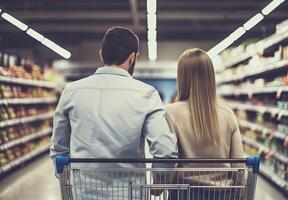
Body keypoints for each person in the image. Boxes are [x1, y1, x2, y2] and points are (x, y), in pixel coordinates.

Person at [50, 26, 178, 199]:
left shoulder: (72, 91)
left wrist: (67, 179)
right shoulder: (146, 94)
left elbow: (59, 149)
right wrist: (160, 182)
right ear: (133, 57)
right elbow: (165, 151)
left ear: (101, 54)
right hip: (130, 193)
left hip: (83, 192)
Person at [164, 48, 245, 200]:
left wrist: (161, 184)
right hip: (224, 194)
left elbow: (169, 160)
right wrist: (240, 194)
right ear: (210, 77)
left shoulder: (170, 112)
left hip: (185, 193)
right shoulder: (227, 114)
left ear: (182, 77)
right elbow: (239, 166)